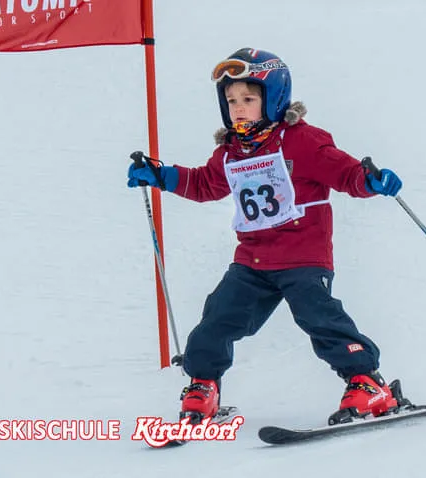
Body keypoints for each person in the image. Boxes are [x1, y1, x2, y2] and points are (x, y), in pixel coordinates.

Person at [127, 48, 404, 424]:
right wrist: (162, 176)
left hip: (303, 256)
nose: (238, 108)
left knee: (319, 316)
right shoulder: (231, 152)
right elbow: (205, 184)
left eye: (248, 99)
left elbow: (344, 173)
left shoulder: (302, 141)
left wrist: (369, 180)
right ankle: (203, 385)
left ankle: (368, 383)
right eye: (231, 101)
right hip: (253, 260)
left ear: (273, 98)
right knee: (218, 316)